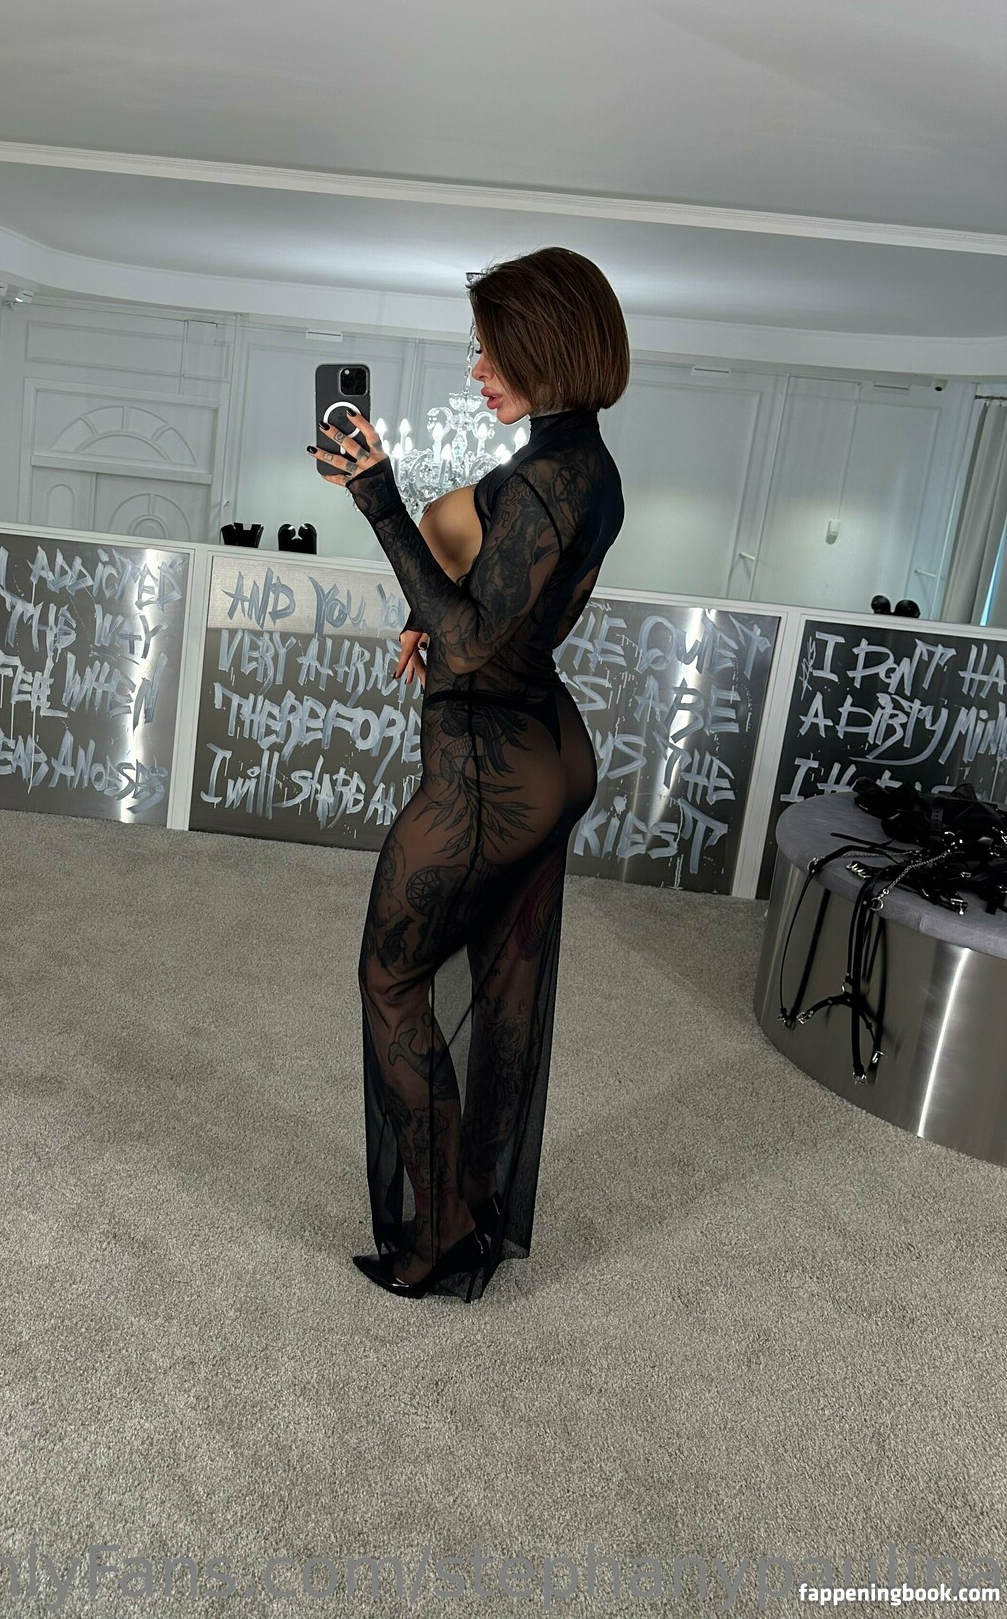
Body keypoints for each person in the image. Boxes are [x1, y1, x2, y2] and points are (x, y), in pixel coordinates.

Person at [307, 247, 628, 1301]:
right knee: (502, 988)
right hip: (545, 753)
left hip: (490, 773)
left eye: (492, 351)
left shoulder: (545, 479)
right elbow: (498, 590)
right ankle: (473, 1204)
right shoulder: (579, 462)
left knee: (391, 979)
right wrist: (426, 610)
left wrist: (378, 499)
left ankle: (440, 1227)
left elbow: (479, 639)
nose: (477, 369)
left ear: (545, 347)